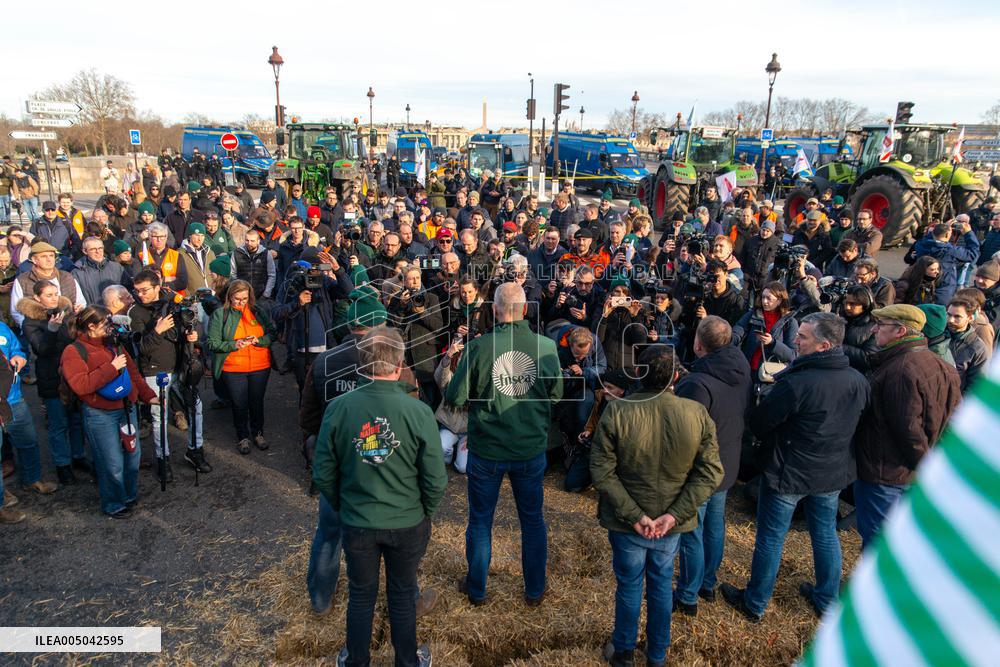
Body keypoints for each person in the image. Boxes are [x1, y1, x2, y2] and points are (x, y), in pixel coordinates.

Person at [311, 328, 446, 667]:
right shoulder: (418, 411)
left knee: (361, 596)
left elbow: (323, 472)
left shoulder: (340, 408)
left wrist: (345, 507)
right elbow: (435, 477)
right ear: (399, 365)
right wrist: (424, 512)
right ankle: (407, 661)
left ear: (361, 364)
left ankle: (356, 660)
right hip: (407, 522)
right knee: (401, 595)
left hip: (358, 522)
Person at [722, 313, 870, 621]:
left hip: (790, 473)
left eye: (803, 337)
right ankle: (826, 598)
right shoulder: (858, 380)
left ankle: (755, 602)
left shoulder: (799, 383)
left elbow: (762, 423)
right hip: (831, 474)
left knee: (770, 538)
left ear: (824, 345)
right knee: (825, 533)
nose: (796, 341)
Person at [590, 344, 723, 667]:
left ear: (638, 373)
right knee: (661, 583)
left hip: (637, 521)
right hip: (657, 521)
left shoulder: (618, 410)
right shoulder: (694, 414)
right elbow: (711, 472)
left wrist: (648, 516)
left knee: (632, 583)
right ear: (677, 376)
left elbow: (602, 471)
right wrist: (671, 516)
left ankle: (625, 650)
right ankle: (655, 653)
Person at [445, 283, 563, 606]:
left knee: (481, 521)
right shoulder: (546, 347)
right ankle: (535, 590)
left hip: (488, 448)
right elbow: (556, 394)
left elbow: (453, 396)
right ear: (525, 310)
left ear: (495, 311)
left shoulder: (479, 347)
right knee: (533, 520)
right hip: (528, 447)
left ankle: (478, 589)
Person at [849, 304, 962, 552]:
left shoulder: (899, 370)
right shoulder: (944, 367)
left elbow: (908, 429)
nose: (874, 330)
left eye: (881, 325)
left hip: (887, 474)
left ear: (900, 331)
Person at [671, 318, 751, 615]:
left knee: (693, 530)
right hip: (727, 460)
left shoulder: (696, 383)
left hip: (701, 468)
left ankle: (688, 594)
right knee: (715, 525)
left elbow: (685, 431)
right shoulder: (740, 363)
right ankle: (708, 581)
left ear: (697, 343)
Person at [60, 305, 159, 518]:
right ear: (91, 326)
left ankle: (129, 496)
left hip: (126, 408)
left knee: (132, 458)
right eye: (106, 323)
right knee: (111, 463)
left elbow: (133, 374)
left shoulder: (115, 345)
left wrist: (148, 395)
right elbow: (81, 385)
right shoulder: (73, 351)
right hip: (99, 414)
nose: (111, 327)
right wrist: (111, 368)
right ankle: (114, 503)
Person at [128, 269, 206, 480]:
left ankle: (195, 450)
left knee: (195, 407)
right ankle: (163, 460)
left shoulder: (172, 301)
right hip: (155, 370)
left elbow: (189, 323)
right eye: (137, 291)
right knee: (159, 417)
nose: (140, 294)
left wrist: (192, 335)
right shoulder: (135, 312)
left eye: (144, 290)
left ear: (157, 287)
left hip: (181, 365)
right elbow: (140, 348)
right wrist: (157, 330)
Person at [19, 282, 88, 484]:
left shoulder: (65, 314)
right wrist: (51, 330)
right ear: (37, 297)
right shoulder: (30, 321)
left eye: (55, 294)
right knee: (58, 423)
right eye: (48, 295)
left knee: (76, 420)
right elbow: (41, 350)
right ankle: (62, 465)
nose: (53, 298)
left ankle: (78, 456)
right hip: (51, 377)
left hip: (71, 373)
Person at [206, 280, 276, 454]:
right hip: (233, 367)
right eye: (237, 299)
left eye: (244, 299)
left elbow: (272, 333)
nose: (241, 302)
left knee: (257, 402)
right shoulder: (219, 314)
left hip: (260, 365)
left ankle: (258, 433)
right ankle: (243, 436)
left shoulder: (258, 311)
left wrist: (259, 341)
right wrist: (234, 345)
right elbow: (212, 343)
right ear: (230, 297)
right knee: (239, 403)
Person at [273, 248, 355, 392]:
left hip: (325, 348)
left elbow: (349, 293)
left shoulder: (325, 282)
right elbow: (276, 313)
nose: (315, 273)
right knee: (305, 392)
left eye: (319, 269)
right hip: (299, 351)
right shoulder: (290, 284)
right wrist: (297, 303)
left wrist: (337, 269)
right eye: (312, 269)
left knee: (325, 391)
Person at [10, 242, 86, 328]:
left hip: (68, 329)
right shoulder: (22, 280)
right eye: (44, 256)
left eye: (51, 256)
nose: (49, 259)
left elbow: (81, 301)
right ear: (34, 260)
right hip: (38, 332)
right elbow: (15, 310)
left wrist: (79, 309)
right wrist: (30, 330)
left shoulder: (67, 276)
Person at [732, 282, 798, 378]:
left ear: (779, 301)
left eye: (769, 298)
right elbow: (738, 331)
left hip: (771, 375)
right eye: (763, 297)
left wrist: (772, 343)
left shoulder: (790, 322)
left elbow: (793, 355)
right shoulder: (753, 315)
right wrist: (726, 340)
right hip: (747, 370)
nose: (764, 301)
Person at [911, 220, 980, 305]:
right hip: (943, 290)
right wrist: (968, 233)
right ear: (948, 235)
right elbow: (972, 254)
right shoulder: (950, 251)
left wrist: (941, 228)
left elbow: (928, 238)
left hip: (921, 285)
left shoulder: (920, 245)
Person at [946, 296, 990, 393]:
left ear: (970, 318)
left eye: (957, 317)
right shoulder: (938, 335)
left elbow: (977, 386)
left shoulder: (977, 348)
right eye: (948, 315)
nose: (950, 320)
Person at [73, 236, 125, 306]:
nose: (98, 252)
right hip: (94, 314)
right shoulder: (77, 272)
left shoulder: (116, 267)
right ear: (85, 251)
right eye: (93, 249)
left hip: (117, 311)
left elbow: (129, 288)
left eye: (100, 248)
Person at [840, 285, 879, 373]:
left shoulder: (875, 327)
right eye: (845, 303)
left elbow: (869, 359)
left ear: (865, 305)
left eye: (852, 304)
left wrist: (838, 347)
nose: (847, 307)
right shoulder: (842, 320)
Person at [230, 229, 276, 302]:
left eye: (252, 241)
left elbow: (272, 275)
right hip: (242, 295)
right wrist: (237, 291)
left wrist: (266, 294)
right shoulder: (237, 253)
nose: (249, 243)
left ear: (258, 241)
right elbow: (233, 274)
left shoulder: (266, 253)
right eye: (247, 240)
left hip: (261, 295)